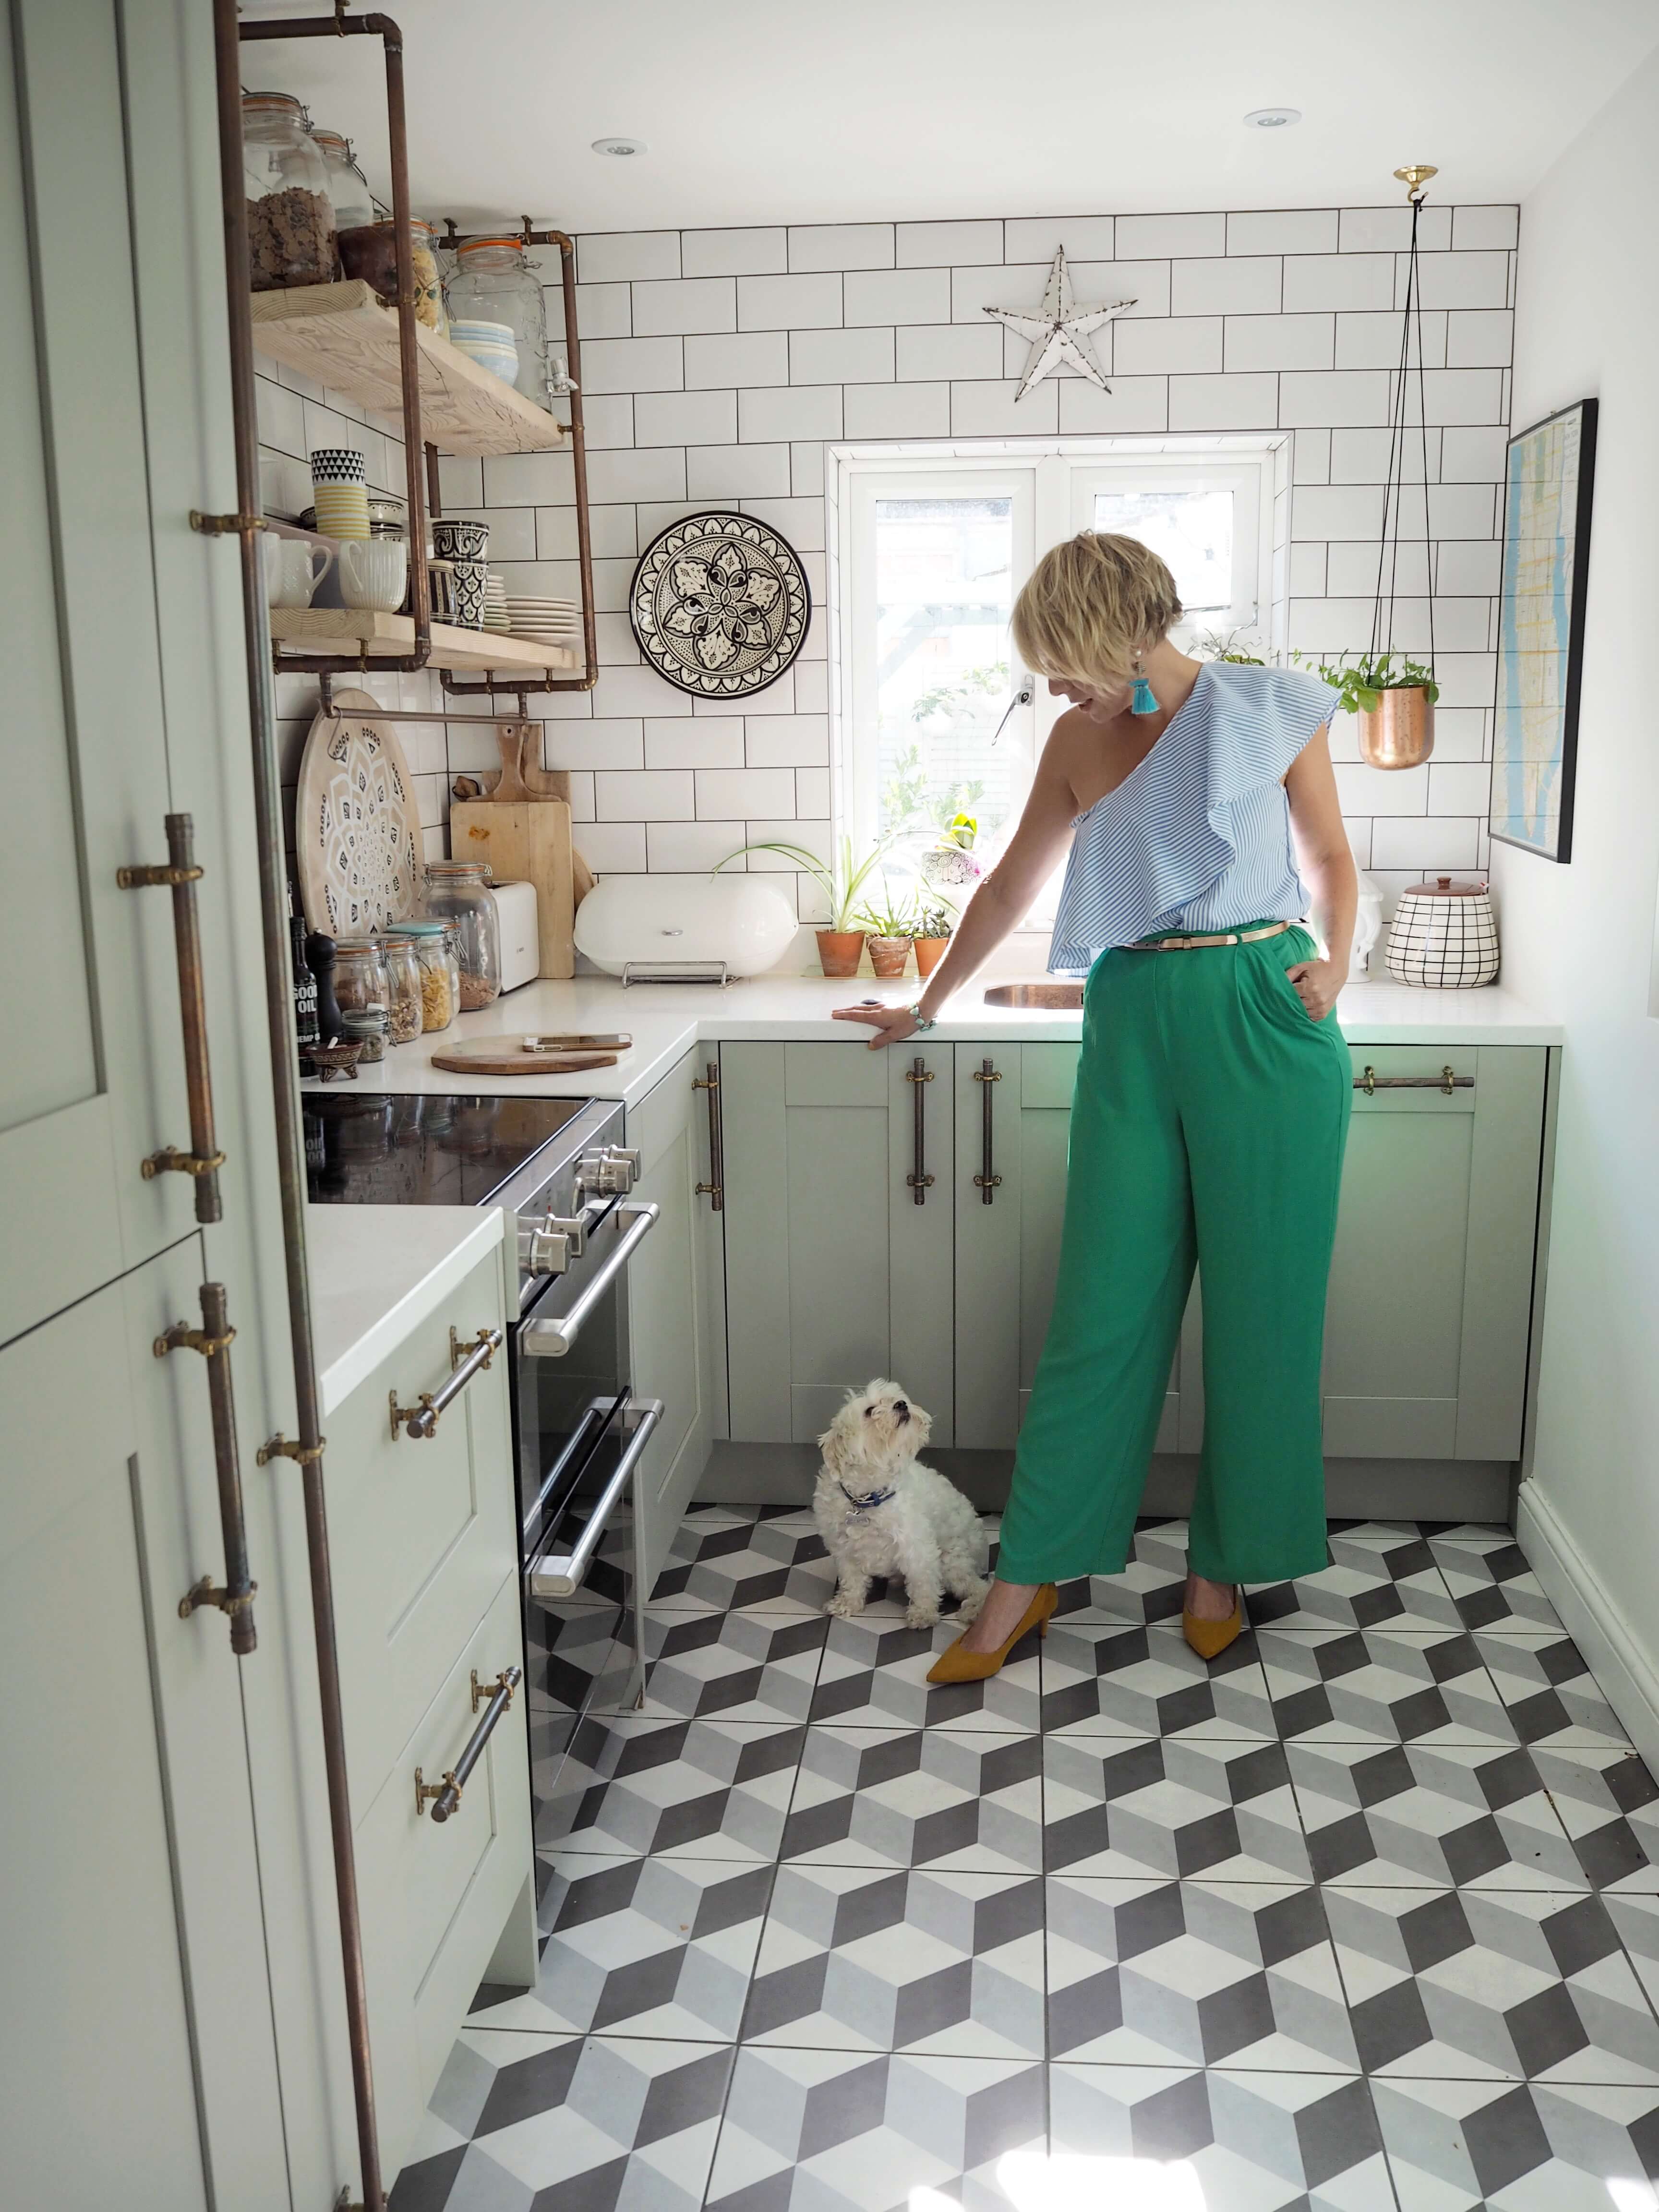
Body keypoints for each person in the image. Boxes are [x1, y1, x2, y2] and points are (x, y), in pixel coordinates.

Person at [835, 532, 1355, 1677]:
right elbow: (1018, 876)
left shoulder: (1271, 707)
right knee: (1100, 1314)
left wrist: (1342, 959)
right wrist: (926, 1004)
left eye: (1060, 659)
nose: (1054, 687)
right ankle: (1029, 1578)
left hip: (1266, 1008)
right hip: (1134, 1018)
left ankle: (1220, 1566)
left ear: (1120, 630)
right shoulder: (1077, 741)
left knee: (1266, 1317)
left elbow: (1327, 850)